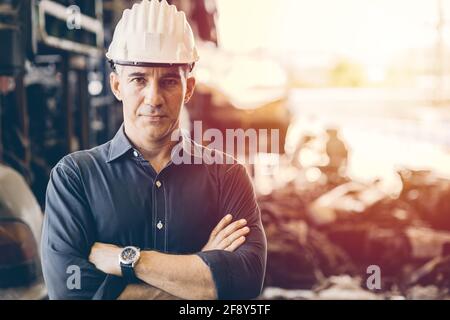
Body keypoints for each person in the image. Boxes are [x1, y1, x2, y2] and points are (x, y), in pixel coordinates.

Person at [41, 0, 267, 300]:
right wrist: (201, 273)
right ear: (117, 85)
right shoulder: (75, 178)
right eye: (138, 79)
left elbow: (245, 284)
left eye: (169, 81)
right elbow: (69, 293)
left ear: (188, 88)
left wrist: (127, 260)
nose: (153, 98)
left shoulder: (228, 176)